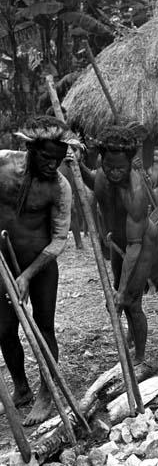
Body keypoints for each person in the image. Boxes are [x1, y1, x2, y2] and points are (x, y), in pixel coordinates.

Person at [0, 116, 76, 425]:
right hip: (3, 264)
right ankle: (21, 389)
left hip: (40, 265)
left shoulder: (60, 187)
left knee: (44, 327)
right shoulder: (4, 164)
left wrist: (28, 274)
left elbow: (59, 239)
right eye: (46, 157)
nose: (52, 165)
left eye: (58, 160)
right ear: (30, 148)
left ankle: (47, 394)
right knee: (4, 329)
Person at [81, 125, 157, 361]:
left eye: (120, 169)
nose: (114, 173)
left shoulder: (136, 193)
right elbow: (95, 182)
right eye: (109, 167)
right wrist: (78, 165)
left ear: (130, 163)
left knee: (130, 301)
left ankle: (140, 358)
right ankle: (131, 335)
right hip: (118, 241)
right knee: (117, 289)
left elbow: (134, 246)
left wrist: (123, 291)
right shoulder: (103, 172)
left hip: (140, 244)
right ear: (103, 159)